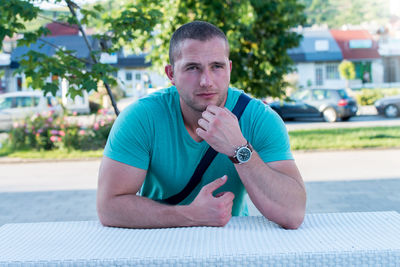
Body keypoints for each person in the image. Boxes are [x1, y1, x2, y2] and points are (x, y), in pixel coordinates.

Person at [97, 21, 306, 229]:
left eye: (217, 66)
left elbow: (292, 213)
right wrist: (190, 216)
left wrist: (240, 149)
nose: (206, 81)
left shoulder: (259, 119)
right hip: (157, 240)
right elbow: (109, 207)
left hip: (232, 240)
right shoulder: (141, 118)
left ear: (229, 69)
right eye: (192, 68)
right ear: (171, 74)